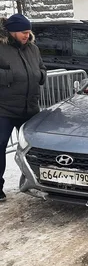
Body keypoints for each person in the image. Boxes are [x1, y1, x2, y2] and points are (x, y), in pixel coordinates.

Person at [0, 13, 47, 201]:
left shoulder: (33, 49)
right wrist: (9, 76)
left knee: (34, 148)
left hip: (30, 108)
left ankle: (37, 181)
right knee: (0, 146)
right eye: (22, 32)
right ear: (11, 32)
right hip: (4, 109)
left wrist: (41, 76)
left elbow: (42, 67)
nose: (27, 35)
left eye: (28, 32)